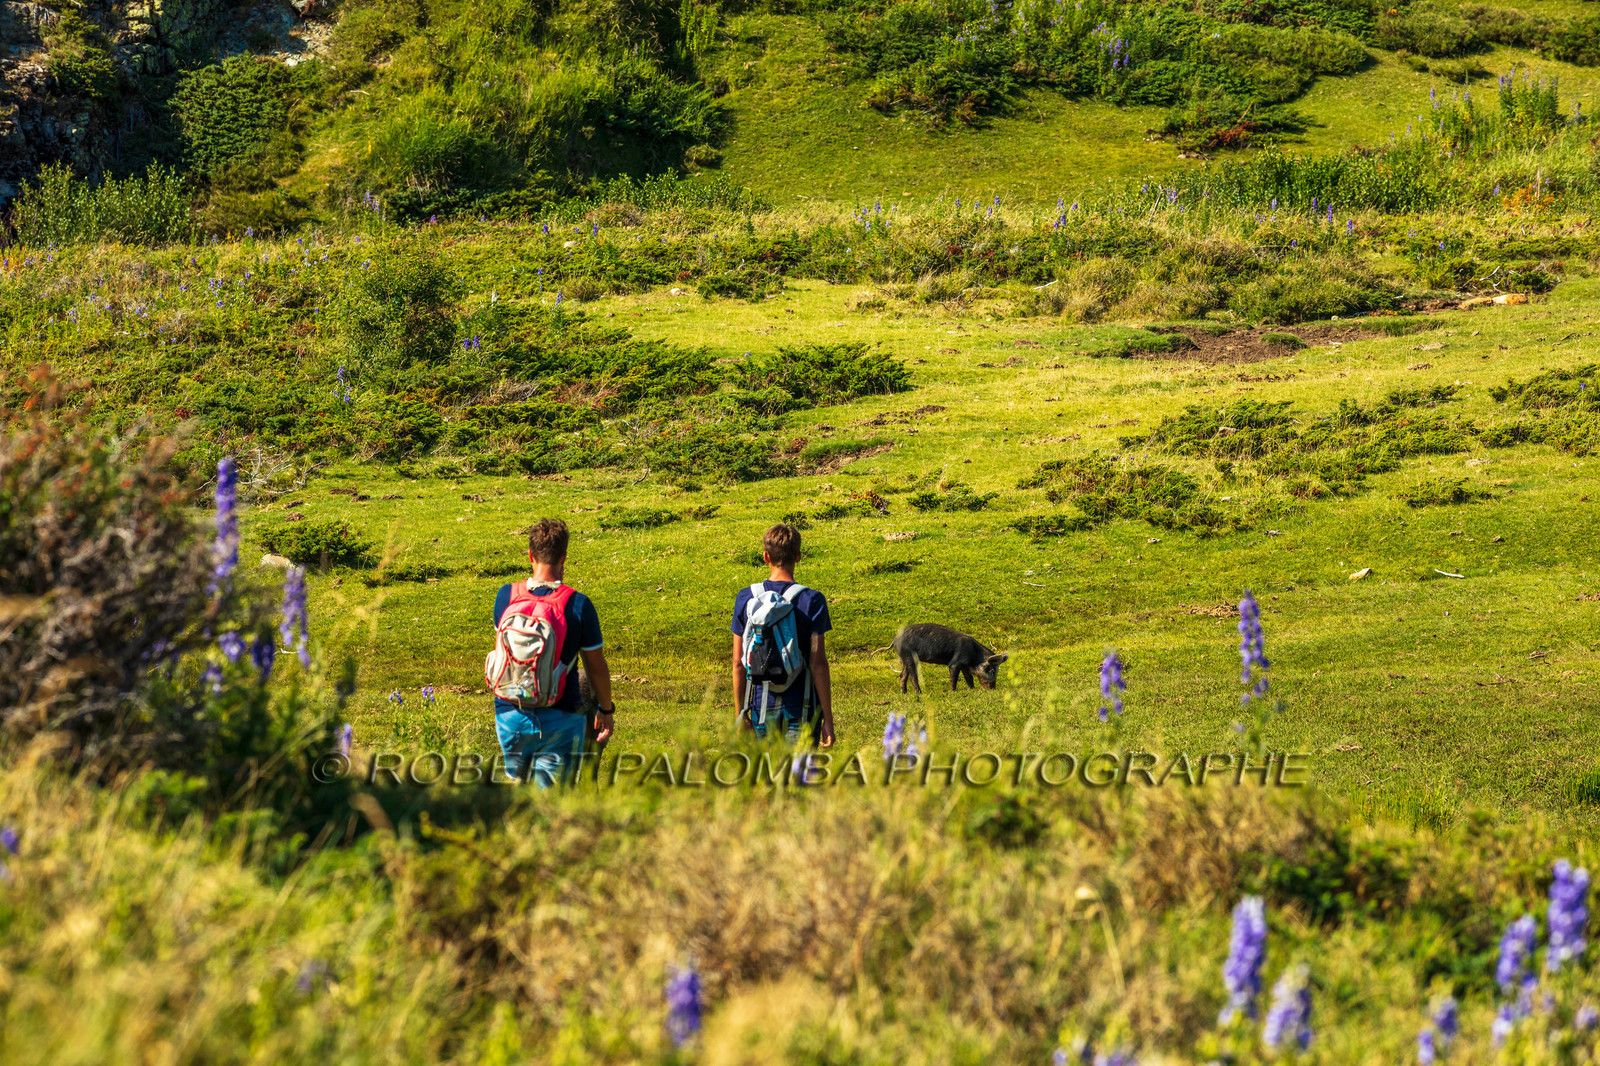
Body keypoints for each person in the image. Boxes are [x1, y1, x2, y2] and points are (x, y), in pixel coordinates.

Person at [491, 519, 614, 786]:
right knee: (551, 803)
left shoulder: (505, 596)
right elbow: (596, 667)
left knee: (520, 794)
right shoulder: (578, 605)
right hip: (560, 714)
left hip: (510, 714)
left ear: (530, 555)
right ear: (564, 557)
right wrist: (606, 709)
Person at [730, 523, 835, 747]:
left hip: (760, 706)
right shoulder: (812, 600)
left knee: (766, 777)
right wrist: (828, 718)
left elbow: (738, 663)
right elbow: (818, 663)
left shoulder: (746, 598)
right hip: (803, 707)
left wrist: (740, 715)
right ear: (798, 557)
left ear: (765, 557)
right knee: (798, 778)